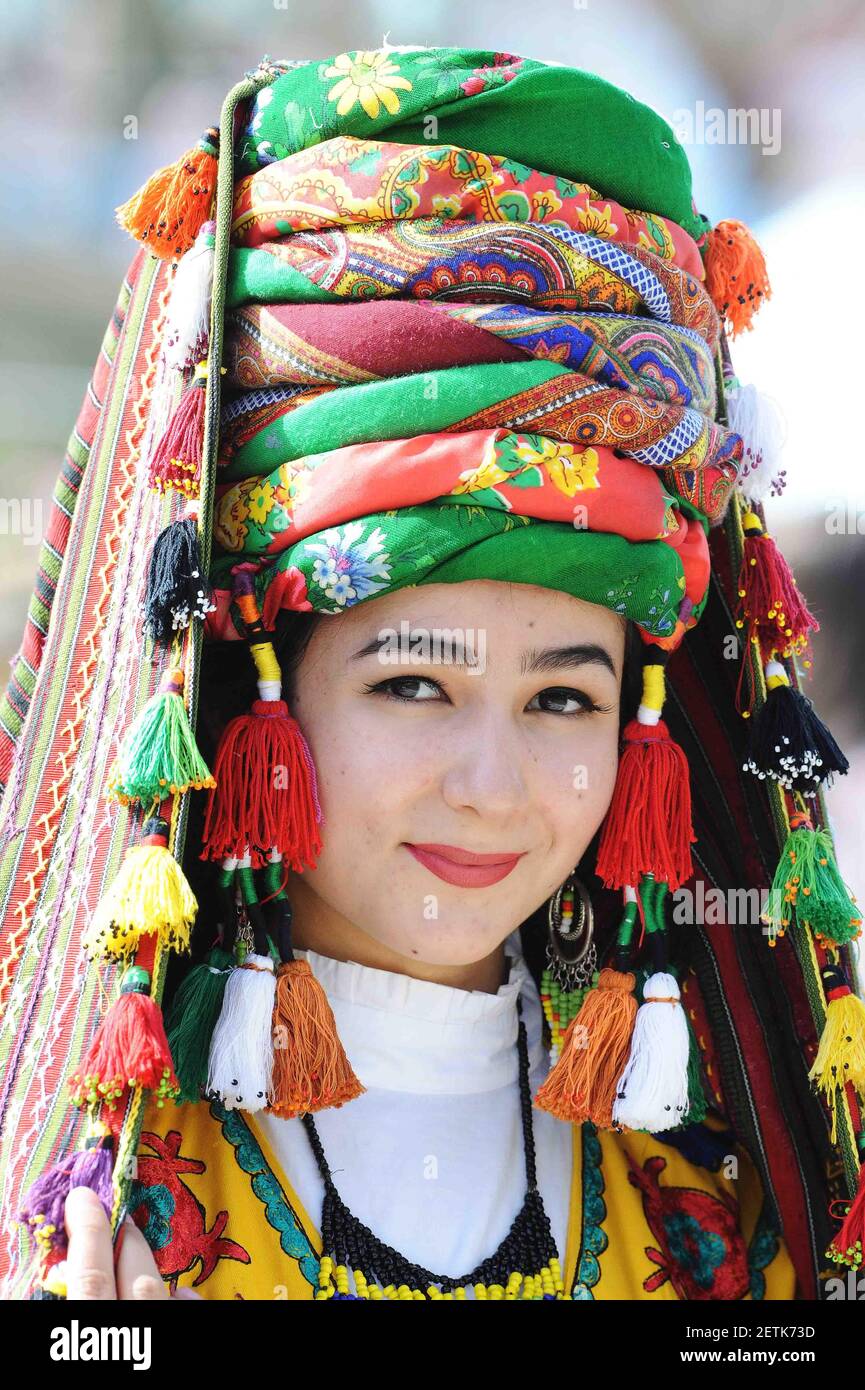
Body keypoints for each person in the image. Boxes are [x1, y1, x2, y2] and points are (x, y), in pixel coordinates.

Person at [2, 44, 861, 1304]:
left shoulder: (720, 1218)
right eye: (414, 685)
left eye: (564, 696)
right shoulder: (87, 1232)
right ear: (259, 693)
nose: (491, 784)